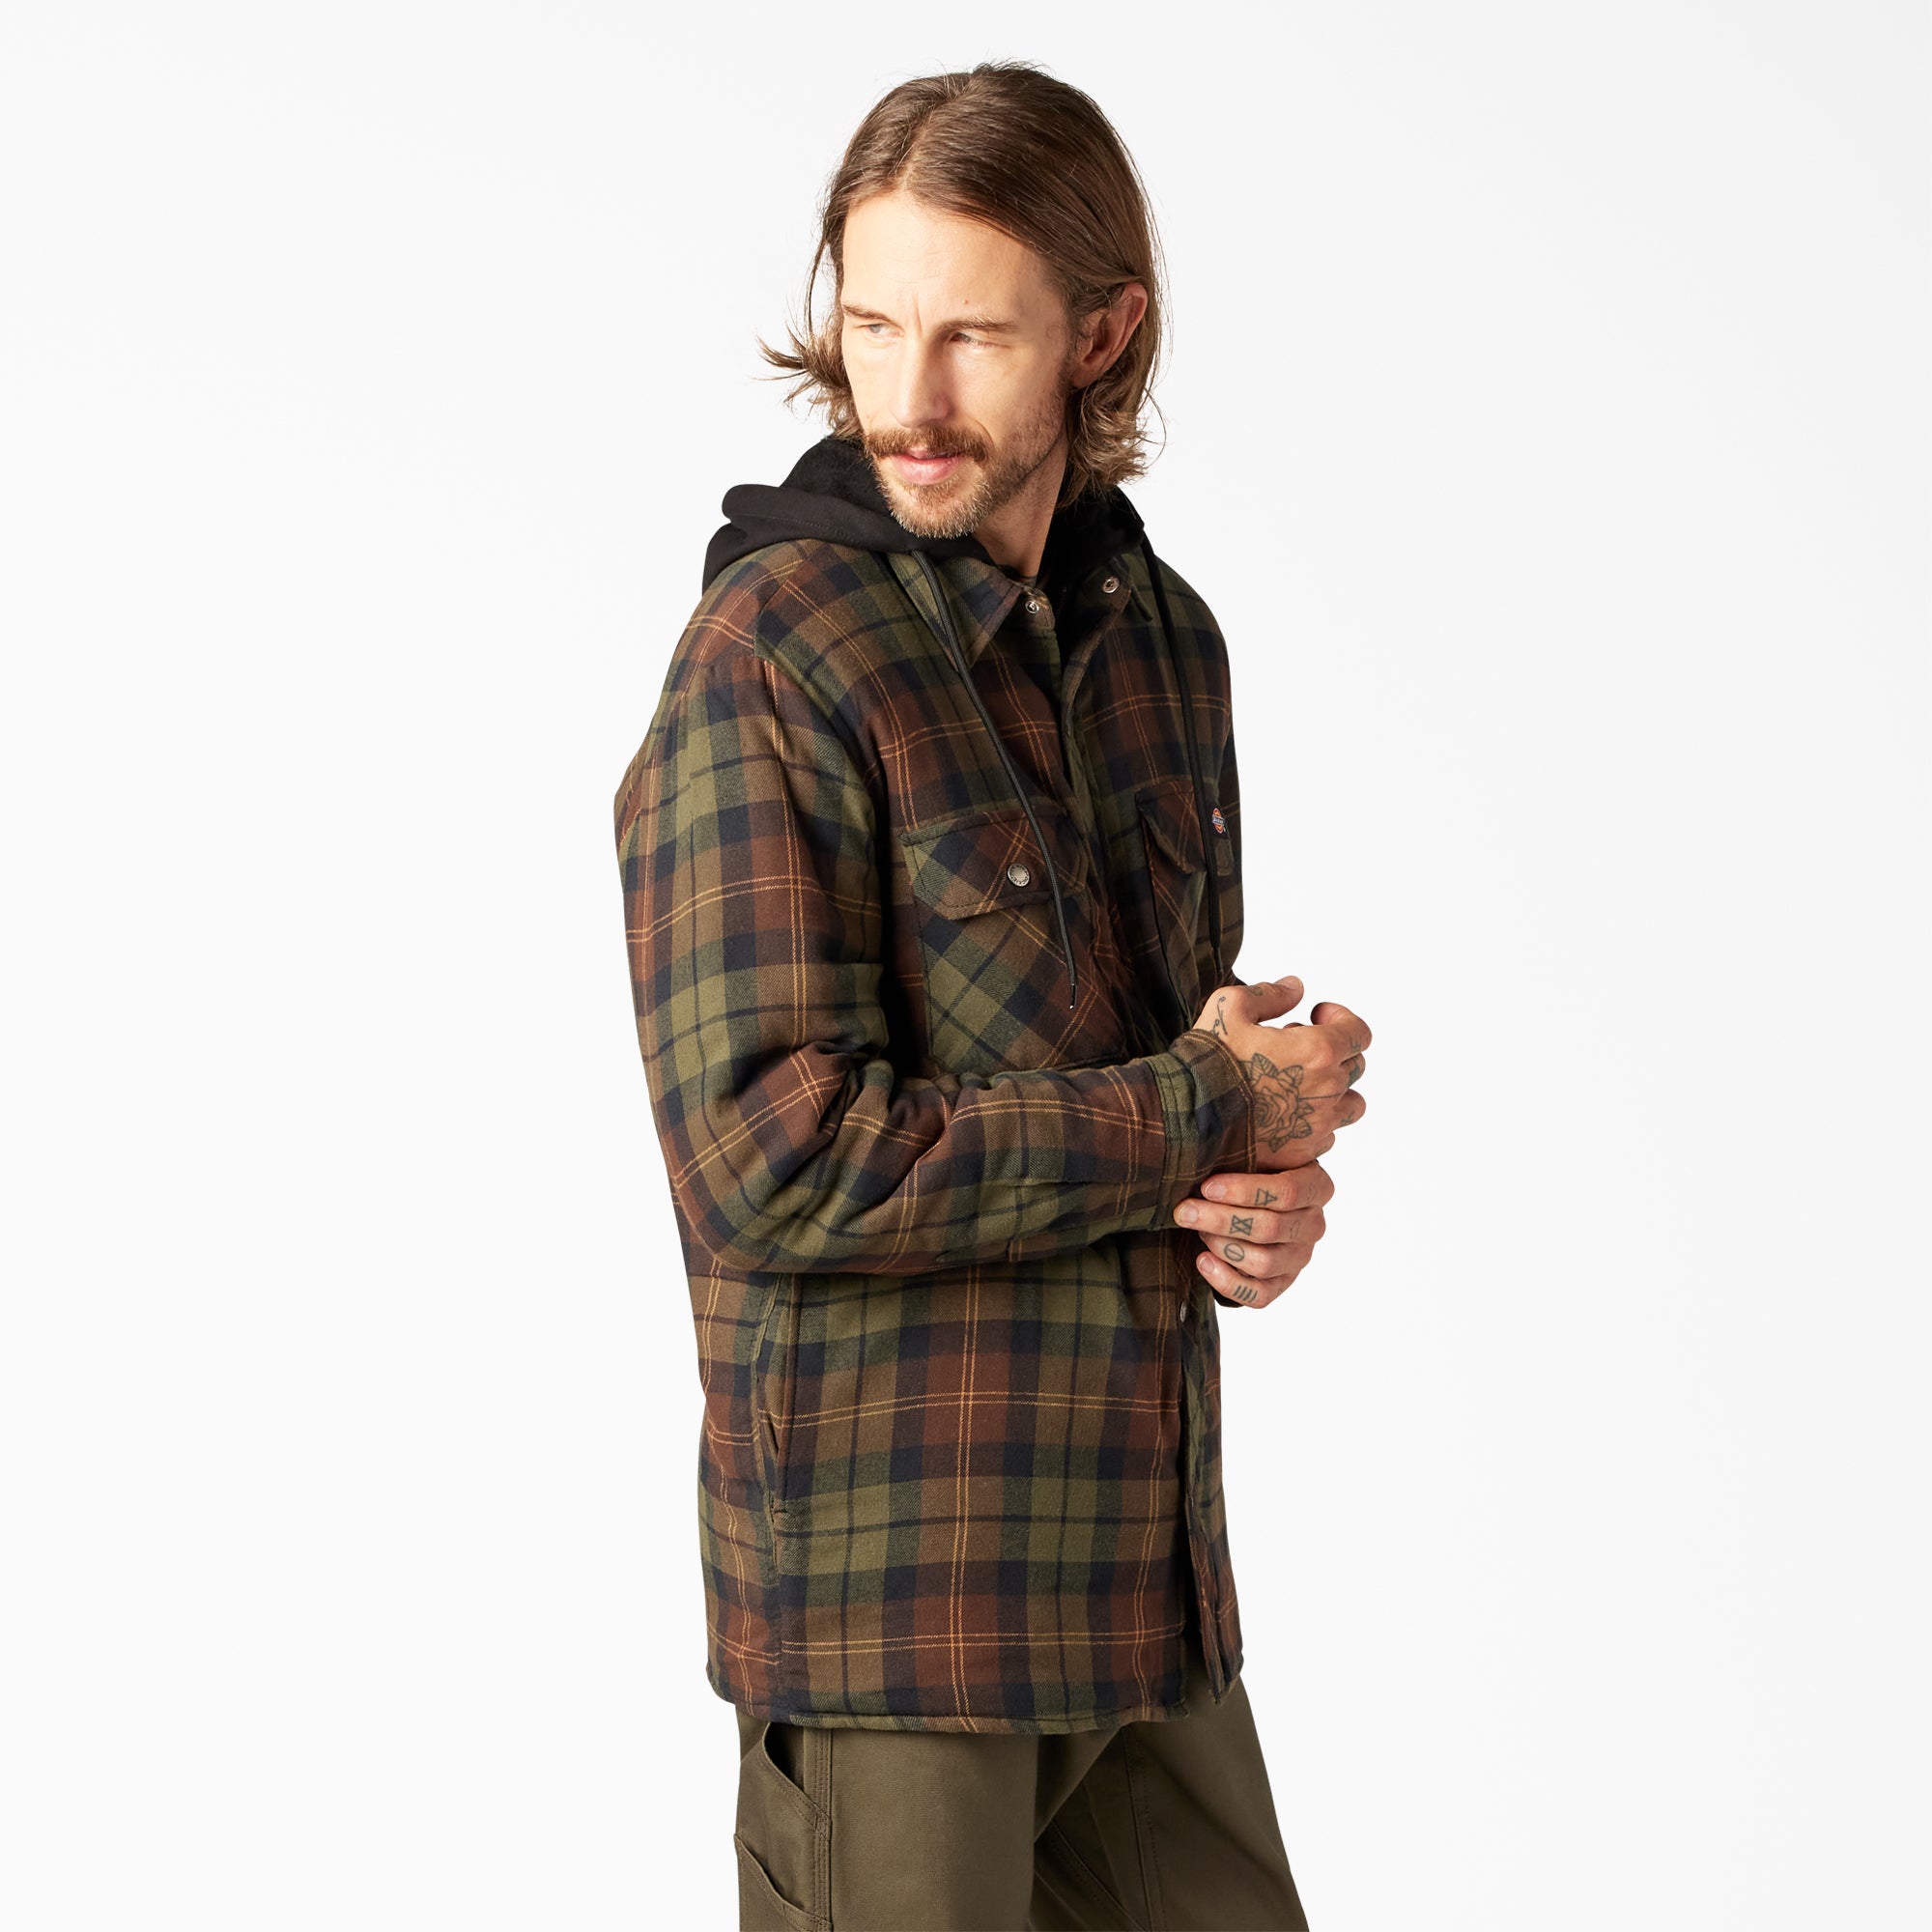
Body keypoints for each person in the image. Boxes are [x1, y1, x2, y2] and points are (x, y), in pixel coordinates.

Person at [613, 60, 1371, 1932]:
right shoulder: (774, 654)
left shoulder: (1163, 644)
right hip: (903, 1619)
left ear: (1102, 335)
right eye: (873, 325)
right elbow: (774, 1159)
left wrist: (1250, 1199)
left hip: (1143, 1594)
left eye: (972, 334)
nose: (910, 396)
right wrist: (1205, 1111)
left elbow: (1155, 1088)